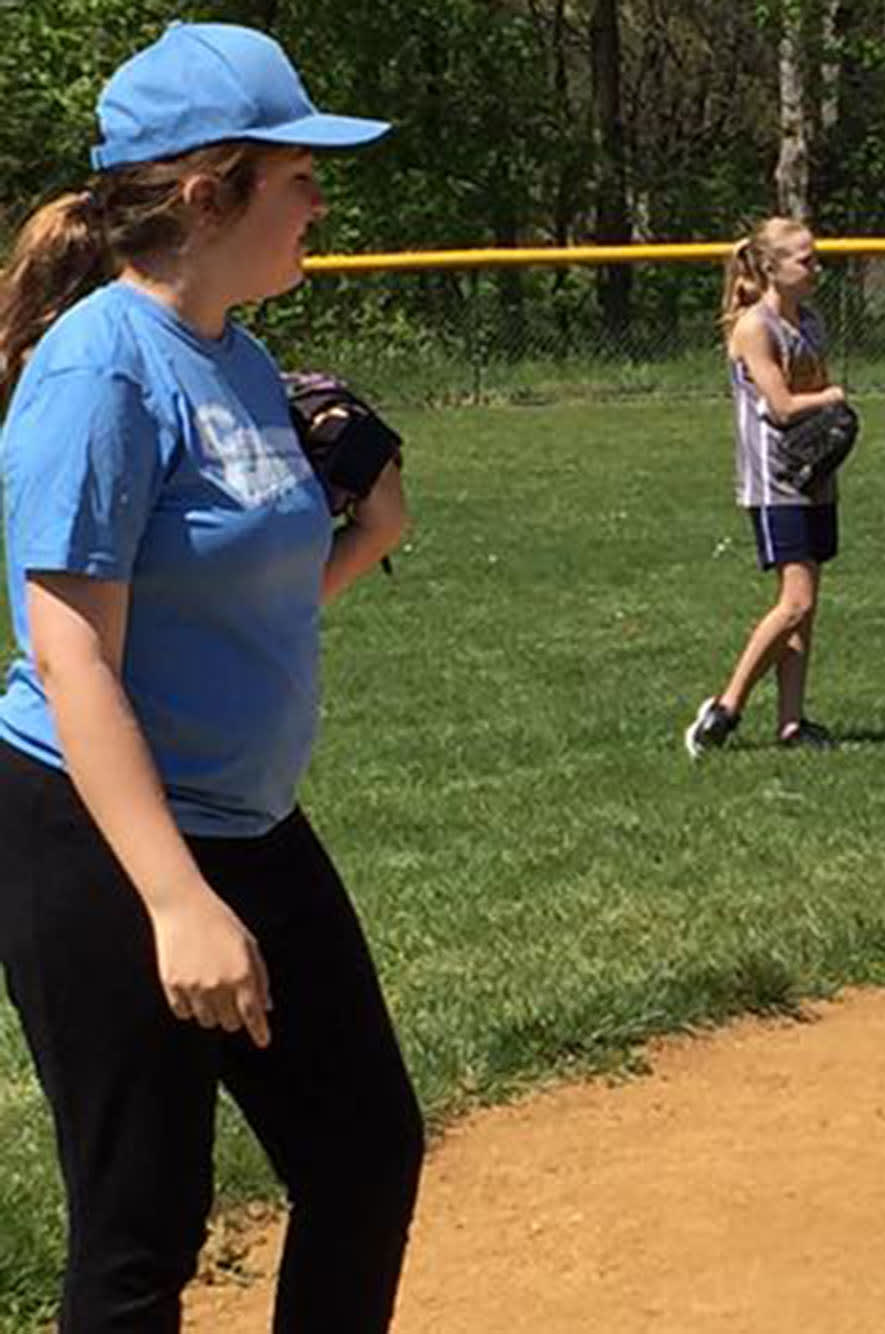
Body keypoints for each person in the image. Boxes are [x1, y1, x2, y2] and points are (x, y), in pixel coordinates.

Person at [0, 23, 422, 1333]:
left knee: (363, 1152)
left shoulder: (235, 357)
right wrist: (174, 900)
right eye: (298, 175)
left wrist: (372, 533)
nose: (319, 201)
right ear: (208, 192)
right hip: (100, 836)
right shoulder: (99, 368)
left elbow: (244, 597)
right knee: (143, 1230)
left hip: (247, 826)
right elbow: (71, 648)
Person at [684, 216, 848, 756]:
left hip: (812, 477)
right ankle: (726, 707)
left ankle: (792, 724)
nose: (815, 267)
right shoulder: (755, 328)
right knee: (795, 604)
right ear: (774, 268)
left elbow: (812, 391)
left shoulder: (812, 322)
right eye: (805, 259)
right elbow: (781, 408)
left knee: (805, 606)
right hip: (774, 481)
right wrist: (832, 399)